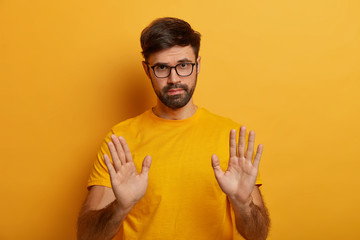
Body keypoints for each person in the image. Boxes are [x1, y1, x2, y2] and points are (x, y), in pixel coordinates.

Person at [77, 17, 270, 240]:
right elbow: (86, 237)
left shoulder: (231, 137)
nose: (173, 78)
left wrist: (243, 203)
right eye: (161, 67)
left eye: (183, 65)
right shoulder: (120, 140)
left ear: (198, 65)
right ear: (147, 70)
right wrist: (120, 207)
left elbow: (258, 235)